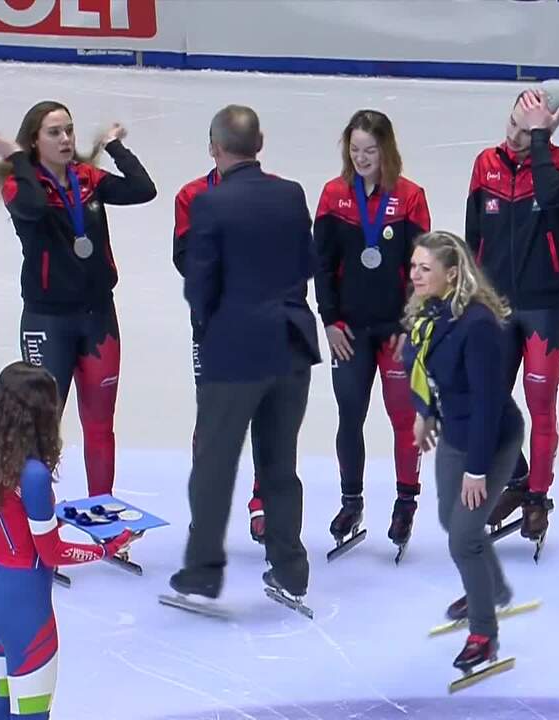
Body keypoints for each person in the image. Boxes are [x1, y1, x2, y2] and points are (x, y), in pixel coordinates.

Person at [0, 100, 157, 500]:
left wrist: (114, 146)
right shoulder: (18, 186)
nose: (66, 138)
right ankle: (38, 521)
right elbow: (34, 208)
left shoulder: (88, 179)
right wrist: (18, 160)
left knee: (100, 424)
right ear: (34, 141)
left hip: (98, 318)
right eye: (54, 132)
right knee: (38, 424)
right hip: (47, 321)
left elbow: (143, 190)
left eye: (69, 130)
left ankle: (104, 518)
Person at [169, 105, 321, 608]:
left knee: (215, 461)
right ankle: (291, 569)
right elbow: (306, 263)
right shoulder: (291, 194)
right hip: (291, 344)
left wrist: (212, 324)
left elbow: (200, 284)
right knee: (280, 463)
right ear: (261, 142)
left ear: (215, 147)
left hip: (234, 350)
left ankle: (202, 572)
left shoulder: (209, 204)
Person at [0, 362, 133, 720]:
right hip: (25, 605)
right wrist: (106, 548)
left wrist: (50, 515)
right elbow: (50, 551)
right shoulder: (35, 474)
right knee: (30, 714)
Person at [464, 86, 559, 546]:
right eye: (511, 122)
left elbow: (553, 201)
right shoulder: (485, 164)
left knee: (540, 404)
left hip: (543, 305)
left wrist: (540, 140)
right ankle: (517, 478)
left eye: (526, 127)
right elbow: (473, 234)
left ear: (549, 125)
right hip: (494, 304)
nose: (514, 134)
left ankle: (537, 498)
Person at [403, 230, 524, 671]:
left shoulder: (478, 326)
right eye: (414, 267)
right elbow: (422, 367)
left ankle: (483, 634)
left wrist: (477, 471)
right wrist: (425, 413)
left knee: (464, 536)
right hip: (455, 430)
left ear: (452, 275)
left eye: (425, 269)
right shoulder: (428, 313)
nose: (415, 275)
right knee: (447, 518)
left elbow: (489, 404)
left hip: (489, 439)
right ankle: (491, 588)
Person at [315, 109, 431, 554]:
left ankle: (405, 501)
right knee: (350, 415)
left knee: (403, 418)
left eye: (370, 150)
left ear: (387, 150)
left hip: (396, 331)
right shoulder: (333, 195)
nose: (361, 158)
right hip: (349, 330)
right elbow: (322, 265)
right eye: (355, 149)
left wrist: (410, 323)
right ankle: (351, 501)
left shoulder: (410, 197)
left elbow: (424, 269)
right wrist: (329, 320)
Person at [174, 163, 267, 545]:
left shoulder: (270, 194)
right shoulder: (191, 195)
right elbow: (184, 258)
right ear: (213, 148)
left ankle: (263, 502)